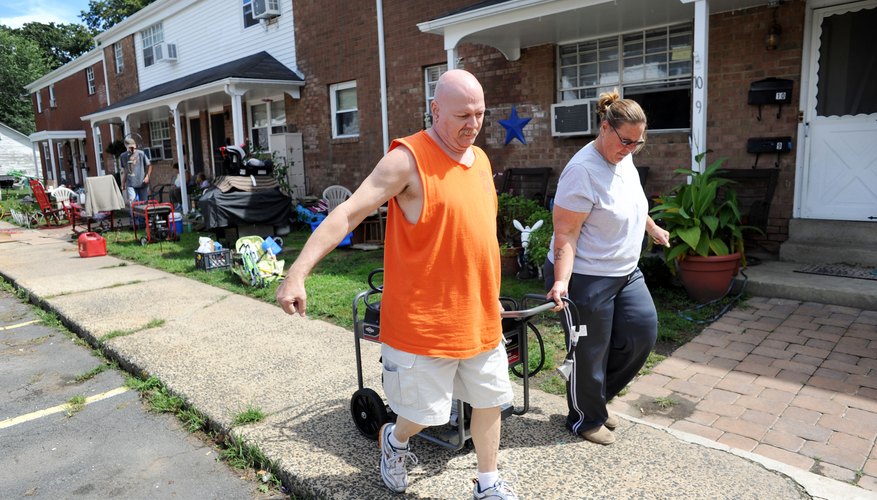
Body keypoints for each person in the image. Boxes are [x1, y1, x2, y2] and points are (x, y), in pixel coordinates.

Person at [275, 69, 518, 499]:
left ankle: (488, 483)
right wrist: (298, 272)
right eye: (463, 114)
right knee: (423, 414)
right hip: (423, 322)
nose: (473, 124)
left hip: (478, 316)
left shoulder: (479, 159)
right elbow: (348, 214)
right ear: (435, 109)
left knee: (489, 400)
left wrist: (491, 296)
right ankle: (395, 439)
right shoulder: (407, 160)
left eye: (480, 113)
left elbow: (476, 235)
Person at [544, 89, 670, 446]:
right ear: (605, 128)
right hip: (586, 276)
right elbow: (565, 234)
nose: (631, 149)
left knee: (641, 335)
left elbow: (629, 201)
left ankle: (593, 399)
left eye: (638, 143)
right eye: (626, 141)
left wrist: (652, 227)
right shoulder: (582, 171)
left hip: (626, 271)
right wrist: (561, 282)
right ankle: (585, 418)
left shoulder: (622, 156)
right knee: (590, 350)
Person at [119, 137, 152, 204]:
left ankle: (142, 215)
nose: (132, 149)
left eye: (133, 147)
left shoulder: (141, 154)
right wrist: (123, 183)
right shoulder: (123, 156)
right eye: (130, 147)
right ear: (126, 146)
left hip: (142, 183)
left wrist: (147, 176)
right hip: (131, 183)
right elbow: (125, 170)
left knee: (144, 203)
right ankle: (134, 214)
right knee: (133, 203)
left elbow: (150, 165)